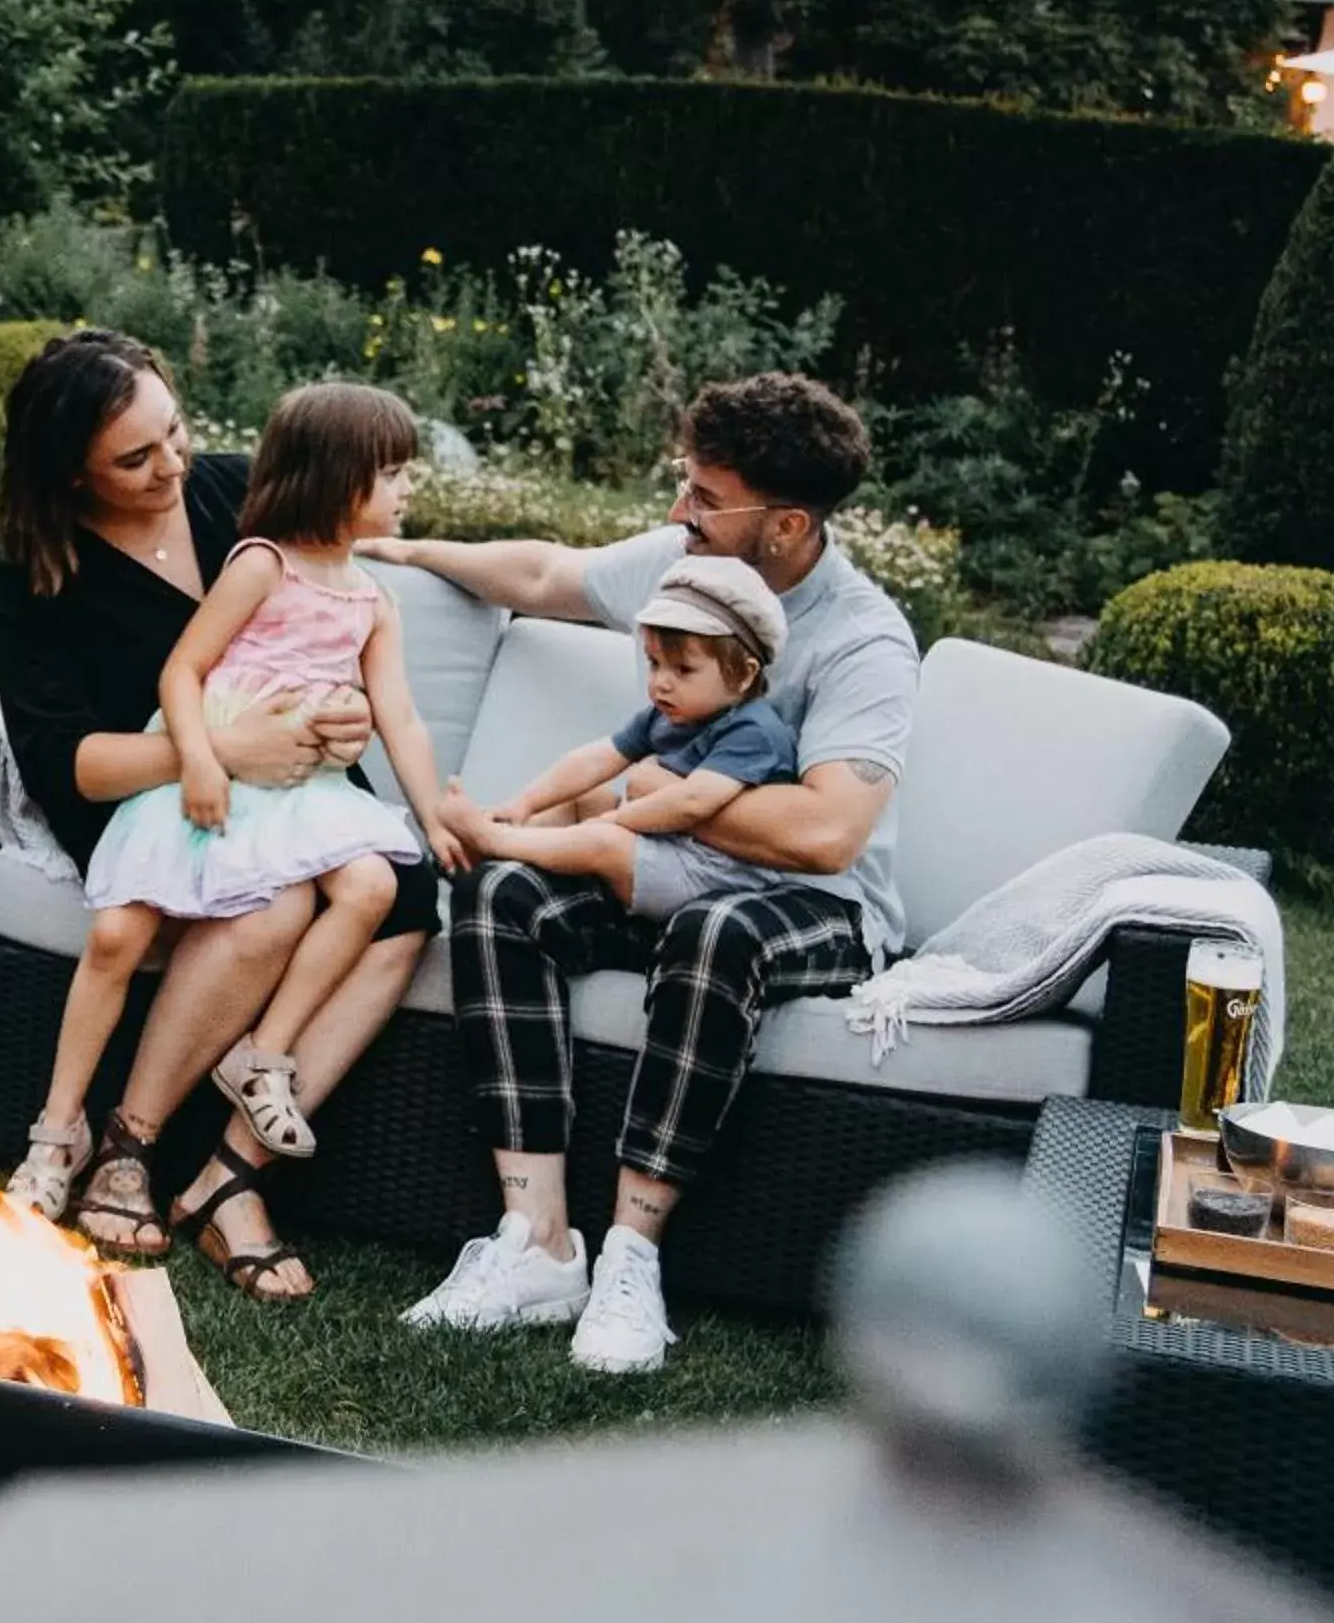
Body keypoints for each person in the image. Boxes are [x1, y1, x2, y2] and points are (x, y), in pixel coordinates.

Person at [363, 372, 918, 1374]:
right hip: (667, 864)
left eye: (704, 496)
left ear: (785, 524)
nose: (677, 513)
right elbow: (546, 576)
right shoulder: (685, 569)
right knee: (500, 895)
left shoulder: (864, 640)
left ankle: (632, 1256)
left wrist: (655, 789)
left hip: (815, 912)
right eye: (684, 483)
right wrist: (402, 548)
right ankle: (536, 1242)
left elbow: (826, 834)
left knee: (718, 933)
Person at [0, 333, 445, 1302]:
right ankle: (127, 1145)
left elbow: (347, 567)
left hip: (299, 786)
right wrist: (223, 752)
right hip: (163, 791)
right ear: (71, 472)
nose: (173, 464)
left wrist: (349, 712)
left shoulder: (233, 492)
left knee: (405, 899)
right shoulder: (38, 576)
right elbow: (71, 764)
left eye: (176, 431)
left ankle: (231, 1173)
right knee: (271, 906)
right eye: (136, 457)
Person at [436, 553, 796, 917]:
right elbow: (596, 758)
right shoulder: (669, 714)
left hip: (716, 876)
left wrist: (616, 821)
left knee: (604, 838)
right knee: (585, 798)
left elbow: (692, 802)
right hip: (664, 849)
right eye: (655, 663)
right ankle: (497, 846)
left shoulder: (753, 730)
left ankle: (497, 841)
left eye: (684, 669)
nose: (661, 682)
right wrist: (524, 803)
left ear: (744, 674)